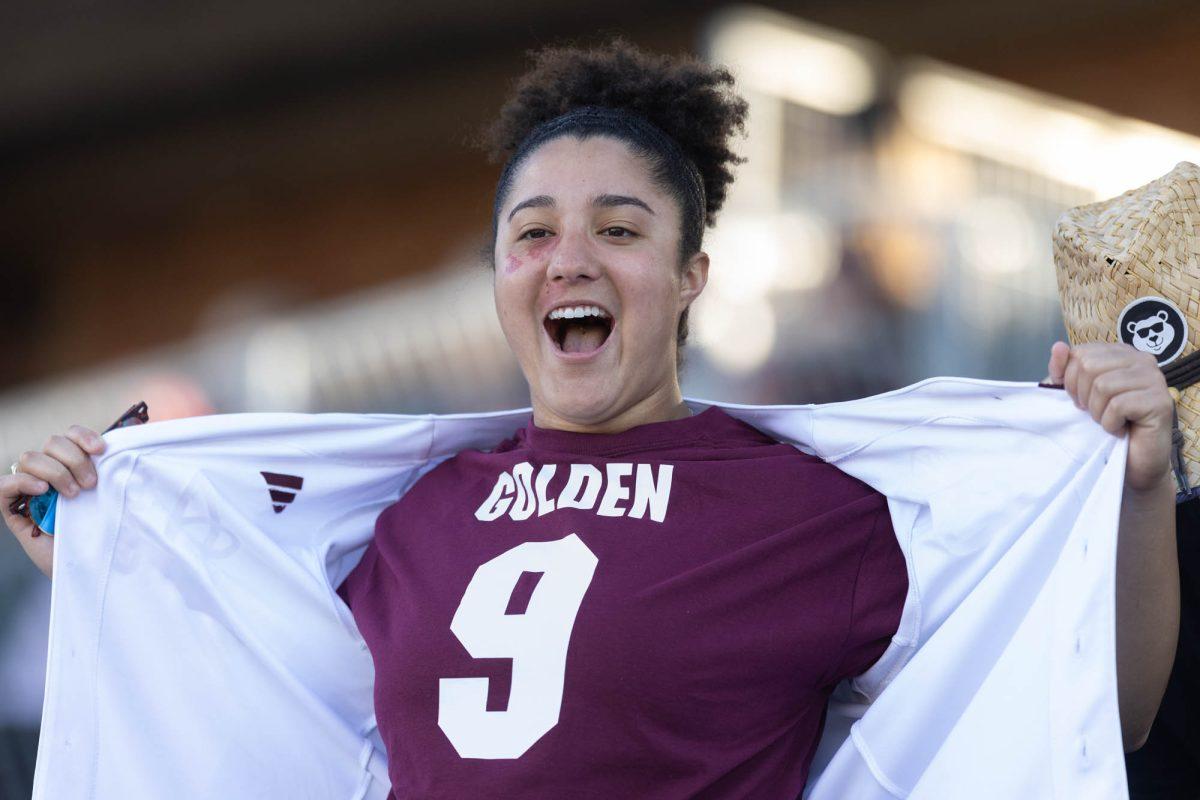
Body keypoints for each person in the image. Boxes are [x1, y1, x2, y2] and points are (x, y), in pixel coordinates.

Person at [1, 41, 1181, 796]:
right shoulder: (413, 517)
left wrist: (1131, 495)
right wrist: (103, 557)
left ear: (690, 280)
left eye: (620, 230)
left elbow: (1089, 711)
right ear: (501, 278)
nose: (571, 258)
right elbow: (254, 694)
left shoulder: (811, 508)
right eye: (533, 233)